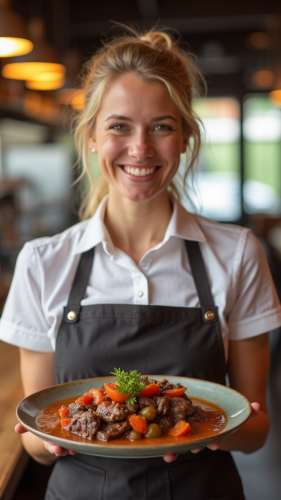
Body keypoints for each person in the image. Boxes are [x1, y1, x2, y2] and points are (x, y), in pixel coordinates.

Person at [1, 28, 281, 500]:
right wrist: (48, 441)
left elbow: (256, 432)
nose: (140, 148)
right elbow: (37, 435)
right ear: (90, 136)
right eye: (119, 126)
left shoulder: (236, 253)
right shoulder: (43, 262)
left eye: (161, 126)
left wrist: (197, 430)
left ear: (186, 137)